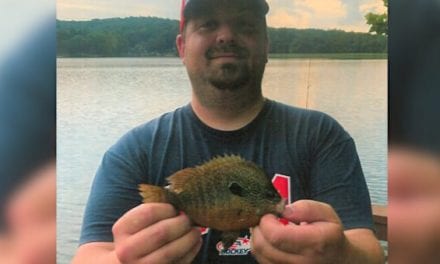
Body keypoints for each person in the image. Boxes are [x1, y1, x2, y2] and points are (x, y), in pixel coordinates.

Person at [73, 0, 383, 263]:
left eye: (245, 25)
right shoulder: (134, 150)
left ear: (266, 45)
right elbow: (90, 254)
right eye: (208, 24)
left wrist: (342, 254)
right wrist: (120, 260)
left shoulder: (321, 136)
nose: (226, 36)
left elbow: (367, 248)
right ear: (182, 47)